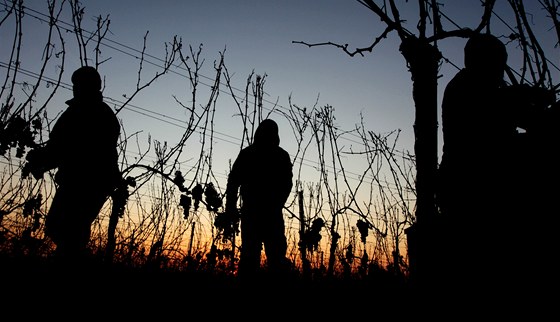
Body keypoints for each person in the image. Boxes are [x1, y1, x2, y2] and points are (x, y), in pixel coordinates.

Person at [25, 66, 121, 265]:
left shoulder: (86, 112)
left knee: (66, 230)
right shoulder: (96, 112)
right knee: (67, 231)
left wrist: (42, 160)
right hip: (92, 182)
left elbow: (67, 148)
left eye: (79, 84)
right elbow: (63, 147)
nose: (76, 88)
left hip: (84, 183)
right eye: (76, 85)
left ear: (91, 86)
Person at [225, 119, 293, 283]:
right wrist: (231, 209)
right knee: (257, 257)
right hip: (261, 214)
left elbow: (286, 185)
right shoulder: (278, 155)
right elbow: (233, 182)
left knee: (265, 257)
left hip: (261, 214)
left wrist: (231, 209)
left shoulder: (250, 154)